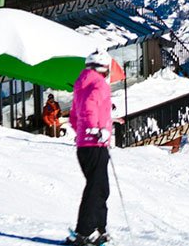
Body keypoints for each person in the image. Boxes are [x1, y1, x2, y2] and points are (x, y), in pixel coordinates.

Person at [67, 52, 113, 245]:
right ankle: (85, 232)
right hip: (95, 142)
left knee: (100, 187)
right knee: (96, 188)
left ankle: (98, 229)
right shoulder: (99, 84)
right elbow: (89, 107)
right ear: (104, 67)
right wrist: (97, 129)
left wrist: (84, 130)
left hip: (86, 144)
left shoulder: (81, 84)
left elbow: (74, 115)